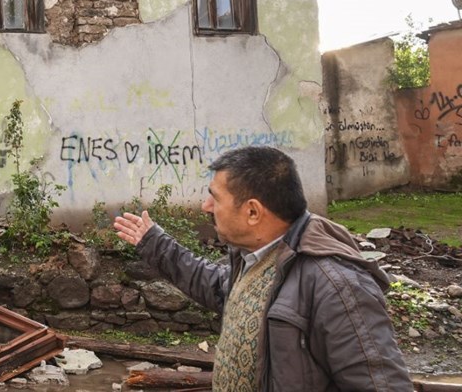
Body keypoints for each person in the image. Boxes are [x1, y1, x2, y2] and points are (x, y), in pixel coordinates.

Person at [113, 146, 412, 391]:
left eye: (214, 197)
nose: (205, 206)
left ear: (253, 212)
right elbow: (216, 286)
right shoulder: (256, 258)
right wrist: (155, 244)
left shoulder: (338, 287)